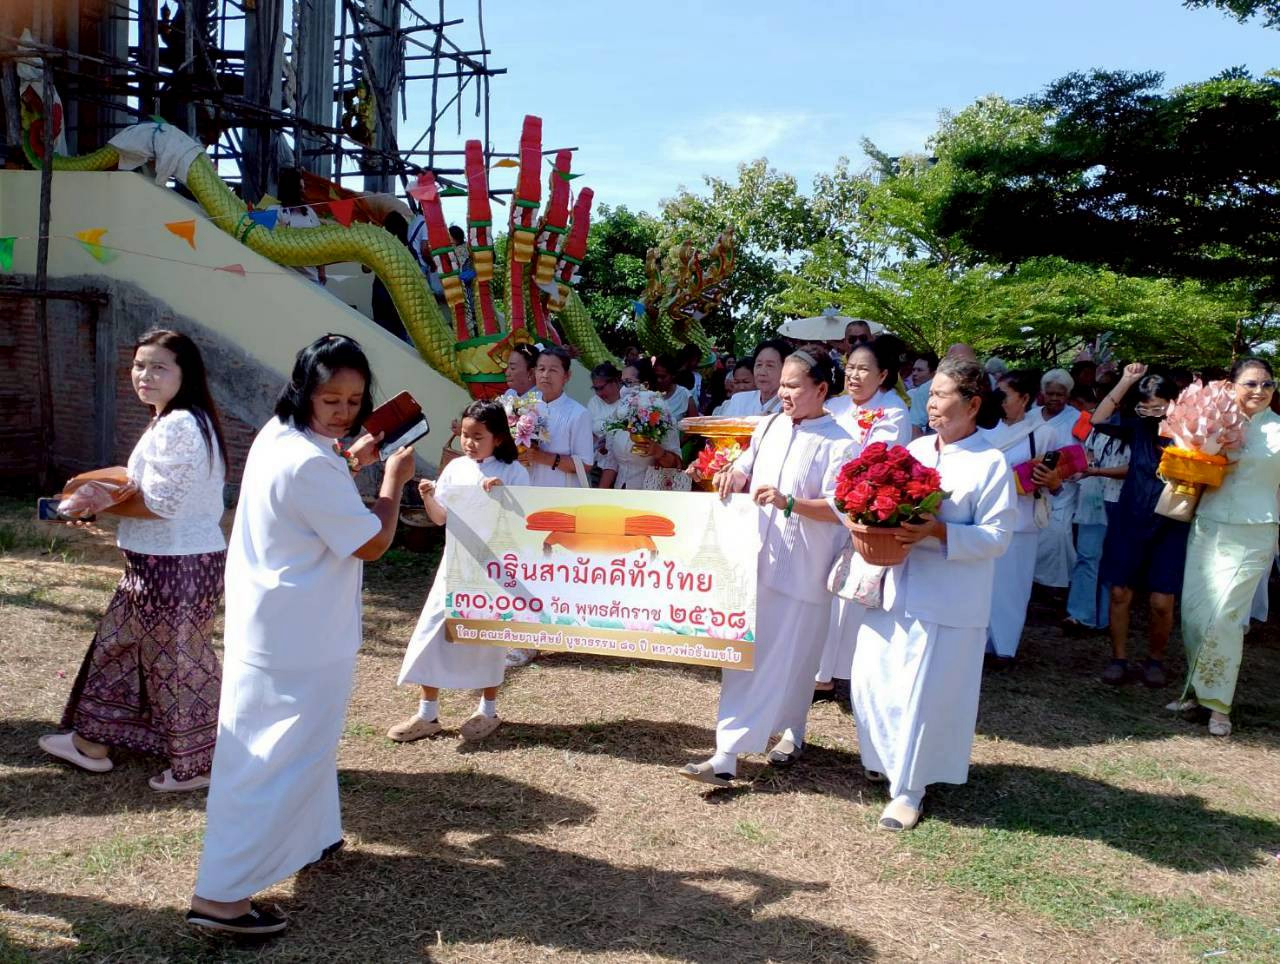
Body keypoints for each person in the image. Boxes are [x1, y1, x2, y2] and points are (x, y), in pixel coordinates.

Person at [188, 335, 417, 937]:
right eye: (330, 399)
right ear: (304, 390)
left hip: (281, 624)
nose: (342, 412)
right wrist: (393, 480)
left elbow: (320, 483)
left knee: (301, 748)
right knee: (271, 762)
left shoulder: (282, 435)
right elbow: (373, 541)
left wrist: (354, 460)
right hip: (299, 636)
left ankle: (314, 836)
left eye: (354, 401)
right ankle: (220, 897)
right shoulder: (310, 461)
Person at [40, 330, 228, 792]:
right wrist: (98, 494)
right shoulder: (170, 420)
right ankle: (91, 742)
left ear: (185, 374)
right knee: (116, 649)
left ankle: (199, 766)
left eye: (159, 367)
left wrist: (94, 504)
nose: (145, 376)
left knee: (178, 663)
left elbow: (161, 503)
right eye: (139, 366)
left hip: (176, 564)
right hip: (158, 562)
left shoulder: (181, 424)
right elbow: (143, 486)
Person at [851, 357, 1015, 831]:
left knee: (922, 695)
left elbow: (997, 537)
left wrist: (940, 532)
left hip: (949, 599)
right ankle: (884, 759)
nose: (932, 403)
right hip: (895, 584)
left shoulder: (990, 462)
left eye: (942, 395)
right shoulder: (916, 449)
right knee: (871, 679)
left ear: (973, 404)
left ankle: (909, 789)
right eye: (932, 395)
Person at [679, 350, 852, 787]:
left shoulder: (841, 442)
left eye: (794, 385)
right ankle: (726, 752)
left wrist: (790, 502)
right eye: (783, 385)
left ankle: (793, 730)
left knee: (798, 658)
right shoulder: (770, 425)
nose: (784, 393)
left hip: (807, 568)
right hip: (754, 560)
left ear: (821, 390)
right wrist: (733, 475)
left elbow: (840, 508)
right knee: (745, 654)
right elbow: (745, 464)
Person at [388, 400, 529, 743]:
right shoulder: (455, 468)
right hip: (455, 563)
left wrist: (504, 496)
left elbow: (523, 522)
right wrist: (428, 496)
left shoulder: (514, 472)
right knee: (432, 631)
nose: (469, 442)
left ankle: (488, 710)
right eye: (465, 435)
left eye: (478, 437)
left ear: (498, 438)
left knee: (489, 639)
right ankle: (427, 713)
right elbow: (440, 518)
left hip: (494, 569)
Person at [1176, 358, 1280, 737]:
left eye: (1267, 384)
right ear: (1232, 385)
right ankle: (1195, 691)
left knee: (1225, 617)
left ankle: (1219, 705)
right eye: (1251, 383)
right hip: (1209, 524)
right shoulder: (1214, 421)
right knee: (1195, 614)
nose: (1259, 391)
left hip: (1256, 530)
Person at [814, 338, 912, 698]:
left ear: (883, 375)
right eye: (850, 367)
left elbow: (879, 459)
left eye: (863, 369)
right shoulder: (833, 405)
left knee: (848, 593)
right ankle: (817, 668)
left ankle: (837, 673)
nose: (853, 376)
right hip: (821, 504)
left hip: (858, 509)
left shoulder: (892, 412)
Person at [1091, 363, 1186, 687]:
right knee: (1120, 592)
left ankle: (1155, 660)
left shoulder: (1191, 432)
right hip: (1130, 516)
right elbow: (1098, 420)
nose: (1152, 412)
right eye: (1146, 406)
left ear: (1172, 402)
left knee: (1162, 601)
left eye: (1158, 406)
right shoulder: (1137, 426)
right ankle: (1118, 659)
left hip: (1170, 523)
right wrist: (1126, 380)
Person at [979, 370, 1072, 663]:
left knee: (1012, 587)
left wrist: (1050, 480)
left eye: (1005, 395)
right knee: (983, 586)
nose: (999, 400)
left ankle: (1005, 647)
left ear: (1024, 398)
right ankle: (978, 644)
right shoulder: (983, 429)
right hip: (984, 519)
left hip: (1021, 521)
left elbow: (1057, 479)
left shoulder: (1043, 433)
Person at [1062, 416, 1130, 635]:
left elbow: (1135, 468)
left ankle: (1106, 618)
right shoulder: (1098, 426)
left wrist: (1097, 471)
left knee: (1112, 561)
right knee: (1087, 557)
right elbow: (1088, 454)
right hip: (1093, 499)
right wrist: (1084, 467)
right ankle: (1081, 616)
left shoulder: (1138, 430)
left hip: (1123, 502)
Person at [597, 362, 683, 490]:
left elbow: (677, 464)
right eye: (622, 383)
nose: (623, 389)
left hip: (649, 493)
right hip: (620, 491)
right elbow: (611, 462)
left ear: (645, 385)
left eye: (628, 382)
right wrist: (599, 494)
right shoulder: (619, 414)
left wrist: (658, 452)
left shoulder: (660, 415)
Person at [1032, 369, 1081, 591]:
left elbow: (1084, 453)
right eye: (1050, 393)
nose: (1054, 398)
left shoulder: (1077, 419)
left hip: (1064, 486)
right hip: (1032, 484)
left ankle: (1057, 585)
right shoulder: (1031, 415)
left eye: (1059, 394)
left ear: (1067, 395)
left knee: (1058, 533)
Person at [524, 345, 593, 487]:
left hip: (562, 491)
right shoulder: (524, 407)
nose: (545, 375)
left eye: (553, 370)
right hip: (528, 488)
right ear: (534, 372)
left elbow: (586, 464)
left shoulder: (578, 414)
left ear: (566, 376)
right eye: (541, 369)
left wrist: (543, 457)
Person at [272, 168, 326, 286]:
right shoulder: (274, 211)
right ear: (290, 189)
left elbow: (320, 241)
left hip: (311, 277)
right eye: (300, 188)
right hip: (283, 276)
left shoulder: (309, 212)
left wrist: (322, 270)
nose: (303, 191)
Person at [369, 212, 413, 343]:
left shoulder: (380, 245)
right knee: (401, 333)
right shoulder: (406, 248)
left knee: (383, 333)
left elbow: (365, 269)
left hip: (381, 290)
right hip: (401, 292)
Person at [719, 339, 791, 416]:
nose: (762, 372)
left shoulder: (792, 405)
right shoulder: (738, 400)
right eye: (759, 365)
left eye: (770, 366)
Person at [908, 351, 938, 435]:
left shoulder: (940, 396)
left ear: (934, 373)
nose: (914, 374)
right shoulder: (909, 394)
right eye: (913, 370)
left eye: (919, 370)